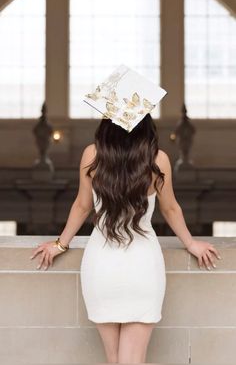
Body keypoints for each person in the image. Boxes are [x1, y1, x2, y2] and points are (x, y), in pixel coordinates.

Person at [30, 65, 221, 364]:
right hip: (142, 267)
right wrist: (191, 243)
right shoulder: (158, 160)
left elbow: (82, 206)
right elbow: (171, 208)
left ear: (108, 121)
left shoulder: (92, 155)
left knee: (114, 360)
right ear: (144, 120)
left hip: (101, 266)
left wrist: (59, 245)